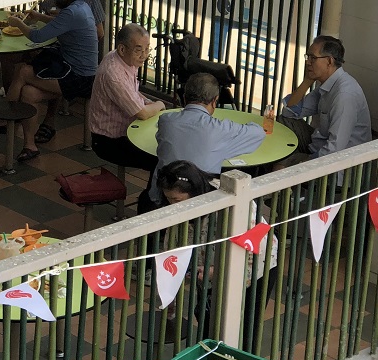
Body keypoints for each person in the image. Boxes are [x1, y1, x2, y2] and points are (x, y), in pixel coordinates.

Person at [156, 160, 278, 339]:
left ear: (195, 191)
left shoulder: (231, 201)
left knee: (244, 330)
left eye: (177, 200)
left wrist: (219, 271)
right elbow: (171, 246)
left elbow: (251, 246)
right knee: (209, 322)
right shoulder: (181, 209)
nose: (174, 205)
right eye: (169, 199)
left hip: (255, 269)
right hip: (207, 272)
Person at [0, 0, 98, 161]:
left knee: (23, 71)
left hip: (80, 78)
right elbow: (59, 23)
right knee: (29, 92)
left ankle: (1, 118)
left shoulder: (73, 12)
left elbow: (37, 36)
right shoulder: (80, 6)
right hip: (72, 71)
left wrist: (17, 23)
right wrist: (39, 17)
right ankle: (30, 145)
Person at [139, 72, 266, 213]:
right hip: (203, 201)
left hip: (162, 196)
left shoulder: (166, 121)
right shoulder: (221, 129)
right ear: (214, 101)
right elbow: (258, 133)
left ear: (185, 97)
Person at [279, 35, 371, 166]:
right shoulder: (327, 84)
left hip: (340, 167)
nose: (308, 62)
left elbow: (335, 149)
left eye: (313, 58)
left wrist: (304, 163)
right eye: (308, 57)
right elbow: (289, 112)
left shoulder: (344, 94)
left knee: (280, 166)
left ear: (329, 61)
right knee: (284, 122)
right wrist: (307, 81)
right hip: (318, 146)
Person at [89, 23, 165, 172]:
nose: (144, 55)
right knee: (162, 159)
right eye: (138, 50)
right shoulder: (114, 74)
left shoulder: (121, 59)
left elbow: (133, 93)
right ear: (122, 49)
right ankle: (150, 196)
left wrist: (149, 103)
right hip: (110, 141)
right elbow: (142, 113)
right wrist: (160, 104)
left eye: (147, 48)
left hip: (127, 130)